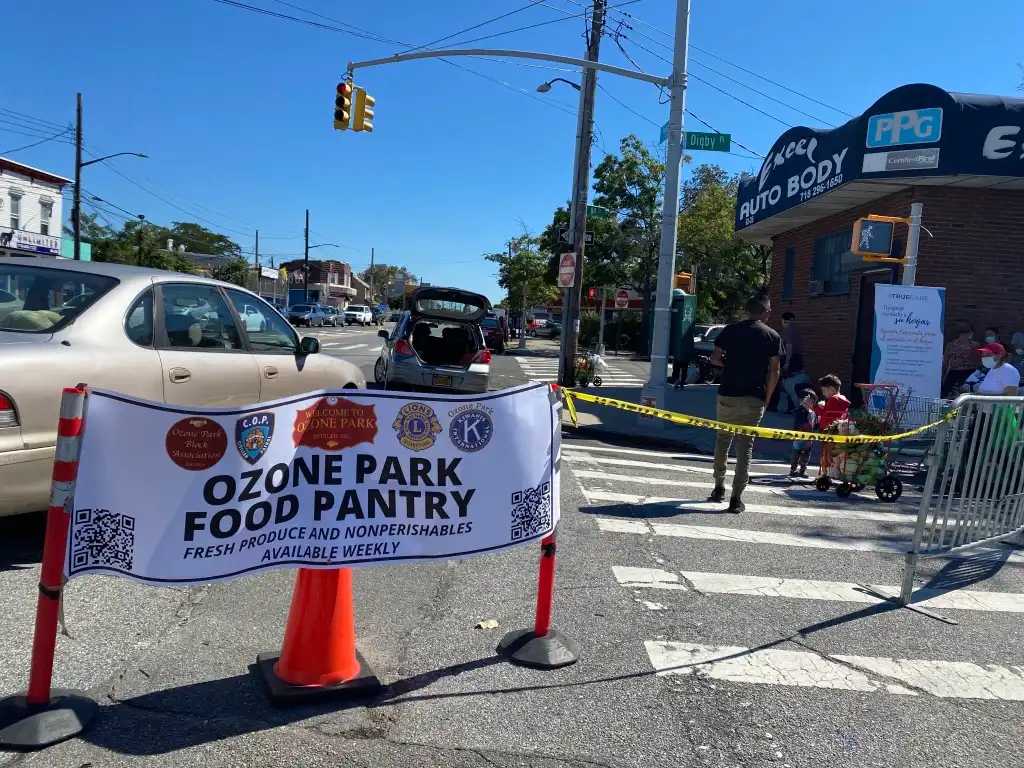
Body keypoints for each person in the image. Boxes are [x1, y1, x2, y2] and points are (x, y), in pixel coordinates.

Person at [707, 293, 783, 513]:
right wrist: (767, 398)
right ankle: (736, 498)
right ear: (765, 312)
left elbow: (714, 358)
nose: (770, 312)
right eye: (769, 310)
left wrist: (729, 367)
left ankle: (718, 487)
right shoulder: (772, 336)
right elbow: (775, 370)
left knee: (722, 441)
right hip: (754, 397)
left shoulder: (730, 330)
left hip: (727, 394)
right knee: (745, 448)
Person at [777, 311, 811, 413]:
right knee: (795, 383)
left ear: (783, 320)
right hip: (798, 360)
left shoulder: (788, 330)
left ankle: (798, 407)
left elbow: (789, 346)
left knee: (789, 384)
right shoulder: (796, 331)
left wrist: (787, 362)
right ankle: (794, 406)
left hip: (792, 361)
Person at [942, 322, 978, 396]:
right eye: (963, 333)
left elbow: (978, 361)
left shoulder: (975, 345)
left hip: (970, 373)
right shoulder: (951, 345)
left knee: (966, 394)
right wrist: (943, 376)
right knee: (947, 394)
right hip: (954, 372)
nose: (965, 335)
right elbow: (945, 362)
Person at [789, 388, 817, 477]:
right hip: (799, 436)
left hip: (809, 438)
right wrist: (803, 407)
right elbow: (798, 420)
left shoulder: (813, 413)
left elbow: (814, 424)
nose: (810, 403)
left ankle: (802, 470)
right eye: (808, 401)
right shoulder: (800, 411)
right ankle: (793, 470)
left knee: (806, 454)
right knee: (796, 453)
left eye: (812, 401)